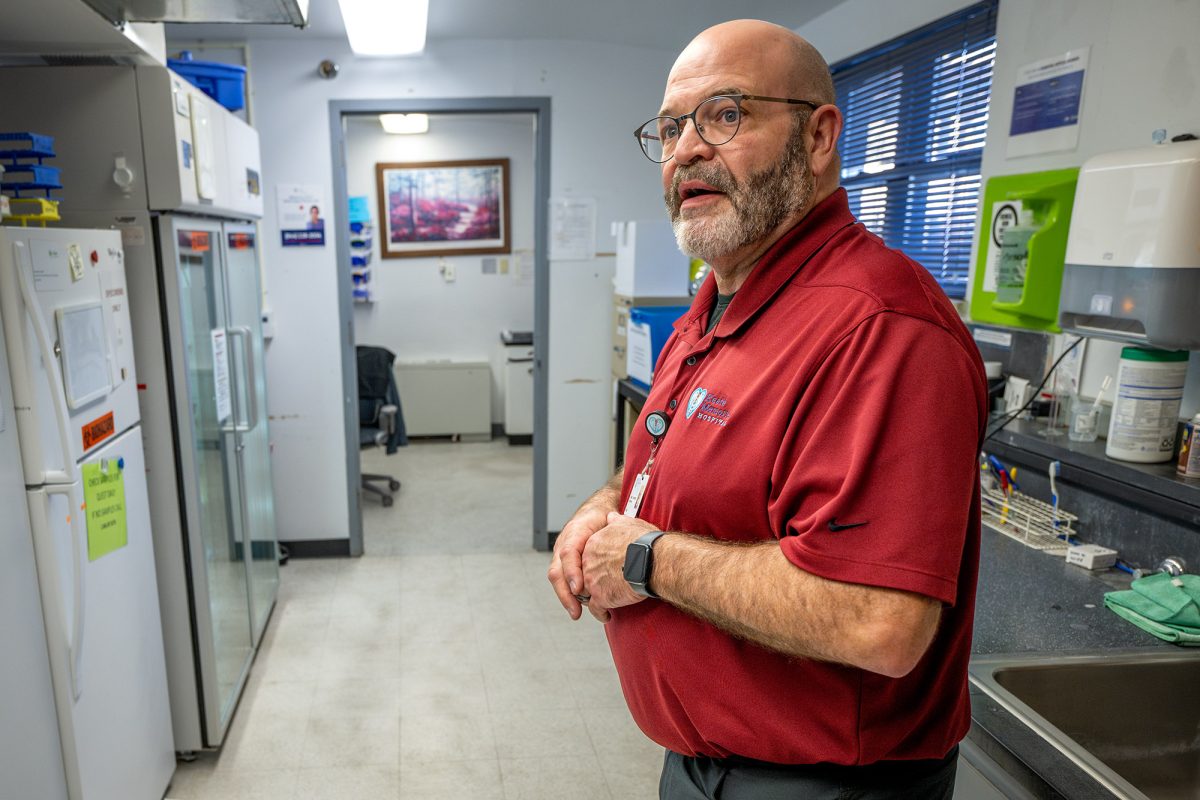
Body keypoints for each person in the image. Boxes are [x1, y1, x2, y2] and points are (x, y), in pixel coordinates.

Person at [547, 19, 987, 800]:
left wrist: (645, 560)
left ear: (819, 136)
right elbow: (672, 463)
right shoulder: (720, 296)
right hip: (701, 764)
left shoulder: (881, 329)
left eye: (725, 116)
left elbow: (878, 622)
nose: (686, 149)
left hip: (818, 785)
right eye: (672, 128)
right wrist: (604, 505)